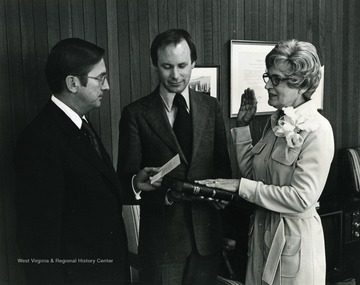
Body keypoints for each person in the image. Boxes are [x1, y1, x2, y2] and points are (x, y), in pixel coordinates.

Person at [14, 38, 160, 285]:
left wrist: (134, 184)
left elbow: (90, 195)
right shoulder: (39, 139)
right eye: (100, 78)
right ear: (72, 83)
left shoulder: (81, 123)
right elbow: (38, 240)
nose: (107, 86)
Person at [197, 39, 334, 285]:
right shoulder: (277, 124)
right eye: (268, 77)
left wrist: (239, 186)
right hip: (263, 235)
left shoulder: (317, 130)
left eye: (277, 79)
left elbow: (302, 198)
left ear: (301, 84)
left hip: (294, 245)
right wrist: (243, 127)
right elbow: (252, 176)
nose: (268, 85)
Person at [117, 29, 232, 285]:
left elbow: (223, 169)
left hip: (207, 240)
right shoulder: (136, 114)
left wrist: (222, 198)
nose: (175, 75)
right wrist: (139, 182)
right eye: (167, 66)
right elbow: (126, 181)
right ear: (155, 65)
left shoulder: (211, 107)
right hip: (162, 247)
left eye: (182, 65)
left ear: (193, 63)